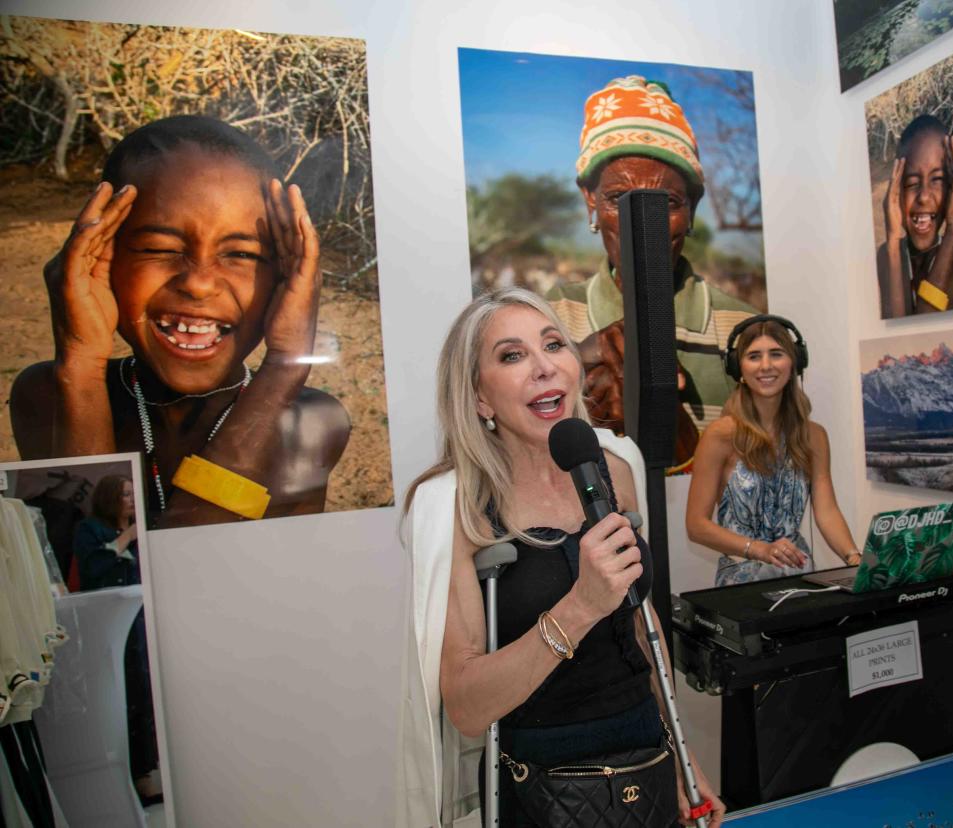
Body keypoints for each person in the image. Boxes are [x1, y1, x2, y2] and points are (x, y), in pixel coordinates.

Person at [399, 287, 723, 827]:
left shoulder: (614, 465)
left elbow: (644, 632)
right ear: (479, 398)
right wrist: (580, 606)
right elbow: (466, 707)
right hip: (542, 788)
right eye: (512, 355)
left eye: (554, 344)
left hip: (647, 763)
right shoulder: (454, 506)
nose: (544, 367)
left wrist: (685, 763)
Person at [9, 115, 350, 528]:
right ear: (98, 257)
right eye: (159, 248)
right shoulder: (46, 395)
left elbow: (191, 559)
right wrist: (79, 367)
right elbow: (91, 569)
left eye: (241, 254)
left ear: (285, 277)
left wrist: (284, 367)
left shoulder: (312, 423)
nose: (200, 283)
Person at [545, 75, 758, 471]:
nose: (643, 223)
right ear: (590, 200)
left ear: (692, 208)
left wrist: (668, 428)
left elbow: (763, 481)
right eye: (618, 199)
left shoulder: (744, 331)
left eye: (667, 202)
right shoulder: (547, 321)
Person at [685, 315, 861, 587]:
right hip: (739, 585)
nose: (766, 366)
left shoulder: (814, 436)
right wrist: (758, 548)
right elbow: (696, 525)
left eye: (776, 354)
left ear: (794, 363)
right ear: (738, 368)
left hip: (799, 577)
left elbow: (826, 511)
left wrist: (854, 558)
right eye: (754, 356)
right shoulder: (719, 436)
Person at [71, 474, 161, 802]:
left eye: (132, 493)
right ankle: (128, 779)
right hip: (107, 629)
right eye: (125, 494)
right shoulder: (90, 530)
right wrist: (130, 535)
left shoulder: (144, 529)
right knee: (120, 697)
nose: (131, 498)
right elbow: (95, 569)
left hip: (141, 627)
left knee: (145, 696)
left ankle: (145, 773)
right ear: (111, 498)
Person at [875, 115, 953, 318]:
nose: (923, 196)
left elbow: (925, 318)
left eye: (937, 180)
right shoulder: (887, 254)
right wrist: (894, 241)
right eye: (912, 183)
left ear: (951, 189)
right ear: (897, 193)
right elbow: (897, 325)